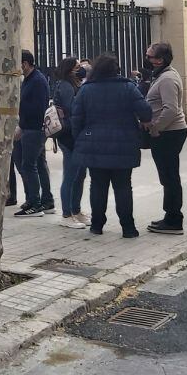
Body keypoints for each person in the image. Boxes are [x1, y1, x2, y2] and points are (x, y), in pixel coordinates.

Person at [71, 53, 152, 238]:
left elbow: (76, 119)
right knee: (123, 187)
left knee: (97, 186)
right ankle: (128, 228)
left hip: (94, 146)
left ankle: (97, 225)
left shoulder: (86, 90)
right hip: (124, 145)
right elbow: (146, 112)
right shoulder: (128, 88)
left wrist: (81, 139)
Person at [144, 43, 187, 235]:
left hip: (169, 133)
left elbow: (171, 109)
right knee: (168, 177)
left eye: (149, 56)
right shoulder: (163, 76)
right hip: (168, 132)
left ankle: (174, 219)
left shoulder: (168, 79)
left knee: (170, 177)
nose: (147, 59)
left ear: (160, 60)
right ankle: (170, 215)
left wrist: (155, 128)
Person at [12, 50, 55, 217]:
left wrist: (21, 126)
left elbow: (36, 109)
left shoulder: (37, 81)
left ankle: (35, 204)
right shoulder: (30, 79)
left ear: (25, 64)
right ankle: (45, 200)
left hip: (33, 130)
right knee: (38, 164)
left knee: (28, 165)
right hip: (31, 129)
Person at [52, 57, 88, 229]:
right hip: (69, 136)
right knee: (71, 175)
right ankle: (67, 214)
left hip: (77, 135)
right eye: (77, 67)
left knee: (80, 174)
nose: (81, 69)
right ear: (70, 69)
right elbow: (72, 109)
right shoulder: (65, 85)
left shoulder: (73, 84)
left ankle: (76, 210)